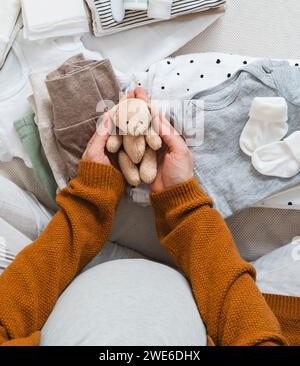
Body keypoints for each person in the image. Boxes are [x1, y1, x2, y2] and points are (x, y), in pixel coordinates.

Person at [0, 88, 291, 346]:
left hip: (63, 284)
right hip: (201, 293)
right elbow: (246, 322)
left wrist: (88, 202)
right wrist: (185, 208)